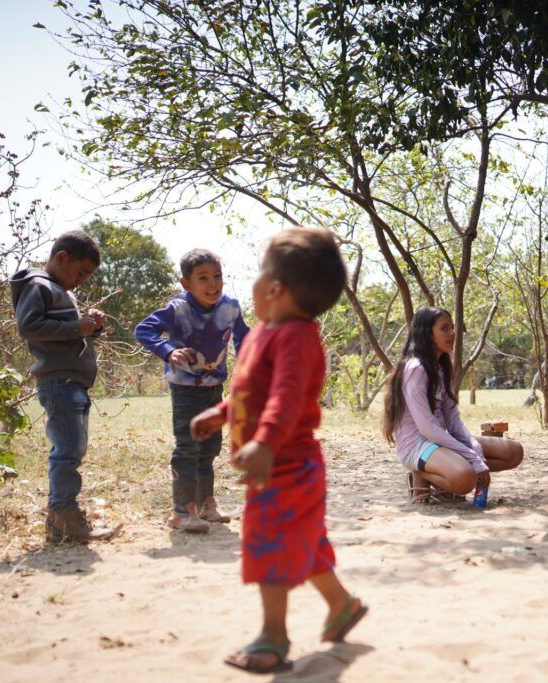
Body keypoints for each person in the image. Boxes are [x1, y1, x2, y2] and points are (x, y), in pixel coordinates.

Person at [190, 227, 367, 674]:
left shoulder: (296, 337)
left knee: (270, 542)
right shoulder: (268, 335)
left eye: (259, 270)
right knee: (304, 542)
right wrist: (223, 413)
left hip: (287, 465)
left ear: (274, 288)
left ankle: (274, 636)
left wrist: (265, 442)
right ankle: (341, 603)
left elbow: (286, 399)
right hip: (286, 464)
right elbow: (256, 392)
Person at [10, 230, 120, 543]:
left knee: (73, 448)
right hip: (58, 382)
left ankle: (59, 522)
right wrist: (77, 326)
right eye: (81, 272)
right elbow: (28, 326)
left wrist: (90, 326)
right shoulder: (38, 285)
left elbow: (70, 333)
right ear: (61, 258)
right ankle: (66, 514)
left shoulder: (62, 291)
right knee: (67, 450)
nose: (82, 280)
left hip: (73, 381)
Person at [134, 249, 250, 533]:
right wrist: (168, 350)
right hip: (185, 389)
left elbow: (244, 340)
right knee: (188, 446)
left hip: (214, 388)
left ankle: (206, 504)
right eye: (203, 278)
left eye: (217, 276)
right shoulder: (179, 308)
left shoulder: (230, 307)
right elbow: (144, 330)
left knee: (209, 447)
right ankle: (181, 511)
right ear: (186, 283)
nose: (213, 284)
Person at [382, 307, 524, 504]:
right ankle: (421, 474)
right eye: (444, 329)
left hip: (440, 440)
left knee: (513, 452)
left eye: (453, 328)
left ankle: (448, 470)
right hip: (417, 445)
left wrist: (473, 447)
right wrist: (472, 458)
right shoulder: (416, 369)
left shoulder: (442, 367)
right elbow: (426, 428)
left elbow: (452, 419)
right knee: (466, 479)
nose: (452, 334)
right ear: (427, 334)